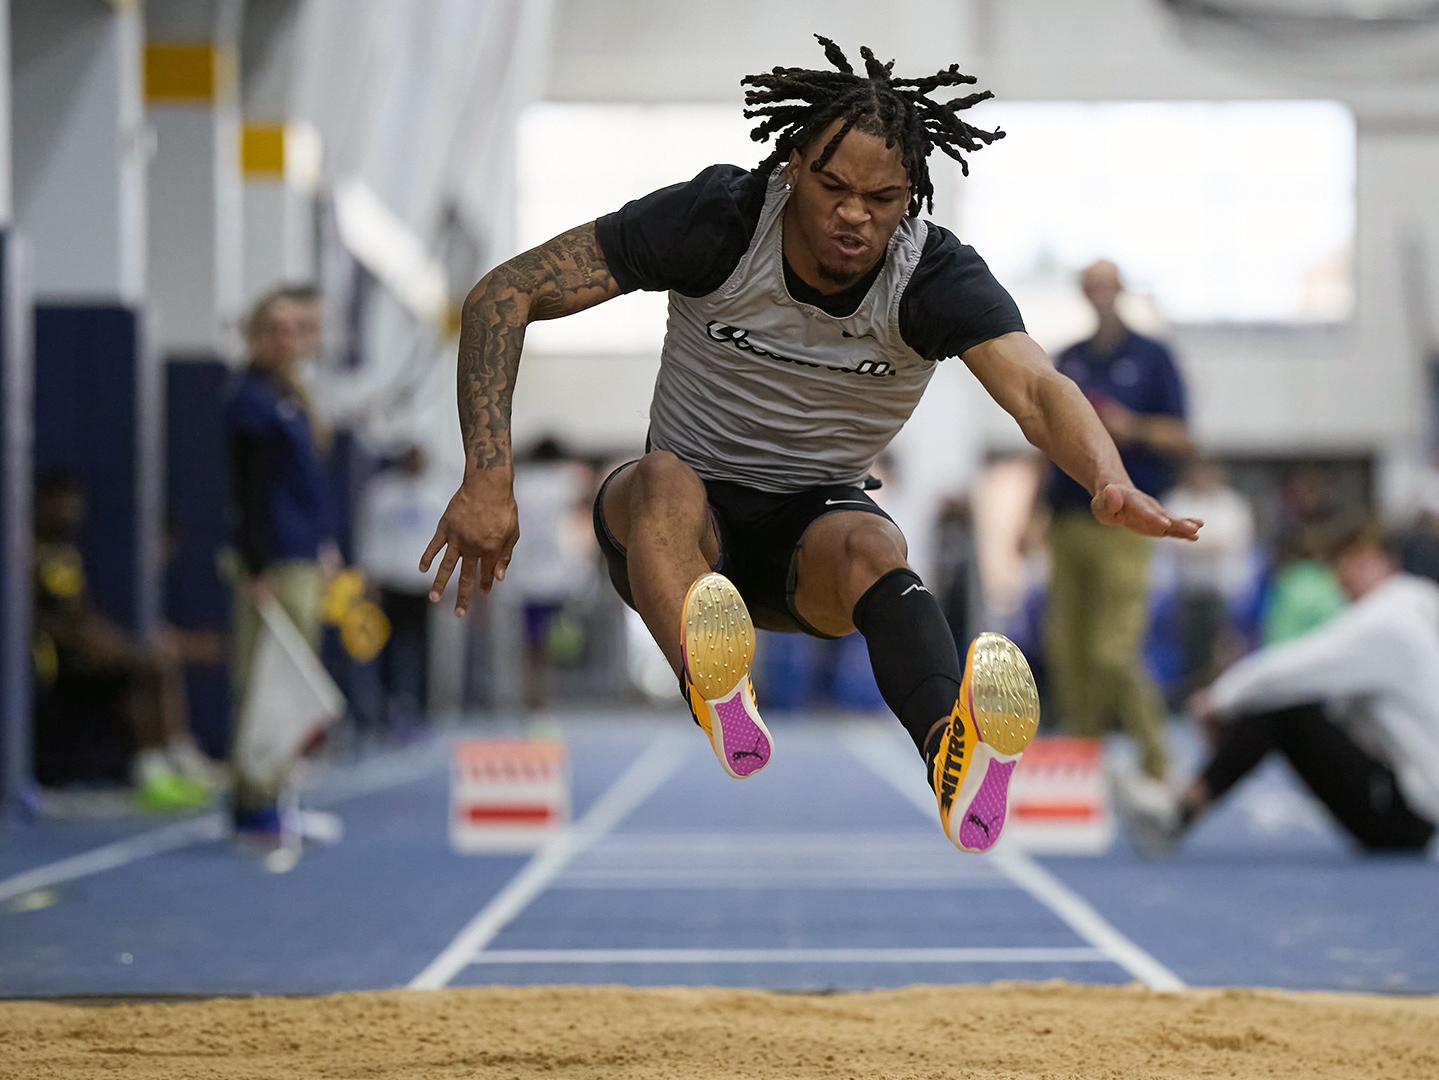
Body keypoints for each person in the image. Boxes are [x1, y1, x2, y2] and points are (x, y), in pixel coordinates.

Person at [420, 37, 1201, 854]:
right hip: (683, 529)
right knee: (660, 479)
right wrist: (488, 475)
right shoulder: (720, 222)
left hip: (810, 533)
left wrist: (1107, 478)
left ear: (912, 197)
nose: (855, 214)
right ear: (792, 165)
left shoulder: (930, 277)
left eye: (884, 197)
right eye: (834, 187)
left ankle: (951, 755)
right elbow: (504, 294)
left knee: (874, 539)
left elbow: (1039, 391)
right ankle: (714, 679)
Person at [1122, 520, 1439, 855]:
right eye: (1342, 564)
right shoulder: (1403, 615)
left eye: (1360, 561)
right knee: (1280, 705)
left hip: (1402, 817)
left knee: (1281, 708)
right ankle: (1184, 800)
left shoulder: (1388, 624)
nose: (1347, 575)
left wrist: (1219, 699)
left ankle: (1181, 807)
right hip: (1402, 805)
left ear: (1389, 565)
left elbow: (1292, 667)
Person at [1039, 260, 1191, 781]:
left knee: (1112, 651)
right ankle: (1085, 767)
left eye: (1107, 285)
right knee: (1068, 651)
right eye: (1091, 286)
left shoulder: (1153, 358)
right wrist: (1028, 515)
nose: (1100, 294)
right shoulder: (1070, 359)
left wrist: (1132, 428)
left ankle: (1157, 761)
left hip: (1127, 523)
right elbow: (1048, 442)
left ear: (1121, 290)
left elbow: (1182, 436)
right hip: (1069, 517)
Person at [32, 471, 216, 810]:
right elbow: (39, 620)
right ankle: (150, 772)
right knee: (137, 667)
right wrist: (93, 645)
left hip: (81, 651)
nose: (69, 512)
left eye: (74, 505)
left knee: (153, 662)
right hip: (48, 660)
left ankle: (174, 756)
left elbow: (81, 614)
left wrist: (115, 644)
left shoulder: (66, 554)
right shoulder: (26, 552)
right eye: (61, 504)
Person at [226, 288, 339, 842]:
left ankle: (278, 792)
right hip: (271, 561)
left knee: (295, 681)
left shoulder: (290, 399)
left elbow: (304, 487)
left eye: (299, 329)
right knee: (264, 679)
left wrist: (322, 543)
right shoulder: (250, 401)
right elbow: (248, 491)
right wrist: (255, 567)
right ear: (257, 336)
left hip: (299, 555)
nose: (290, 340)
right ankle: (254, 801)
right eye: (278, 329)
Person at [357, 444, 452, 730]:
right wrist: (370, 577)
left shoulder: (438, 493)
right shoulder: (382, 492)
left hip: (422, 585)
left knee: (423, 648)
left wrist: (449, 580)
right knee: (388, 646)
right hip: (391, 581)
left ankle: (423, 705)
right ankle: (387, 703)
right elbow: (369, 535)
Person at [507, 437, 598, 712]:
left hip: (528, 572)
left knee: (532, 643)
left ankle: (534, 694)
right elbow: (589, 485)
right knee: (553, 641)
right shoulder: (566, 479)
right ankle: (546, 694)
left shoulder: (520, 482)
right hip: (557, 572)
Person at [1165, 457, 1254, 703]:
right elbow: (1170, 542)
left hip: (1224, 591)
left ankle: (1222, 694)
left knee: (1222, 645)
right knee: (1191, 648)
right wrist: (1207, 544)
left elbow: (1232, 542)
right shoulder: (1178, 500)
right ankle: (1192, 695)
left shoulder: (1232, 504)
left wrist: (1196, 543)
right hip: (1188, 589)